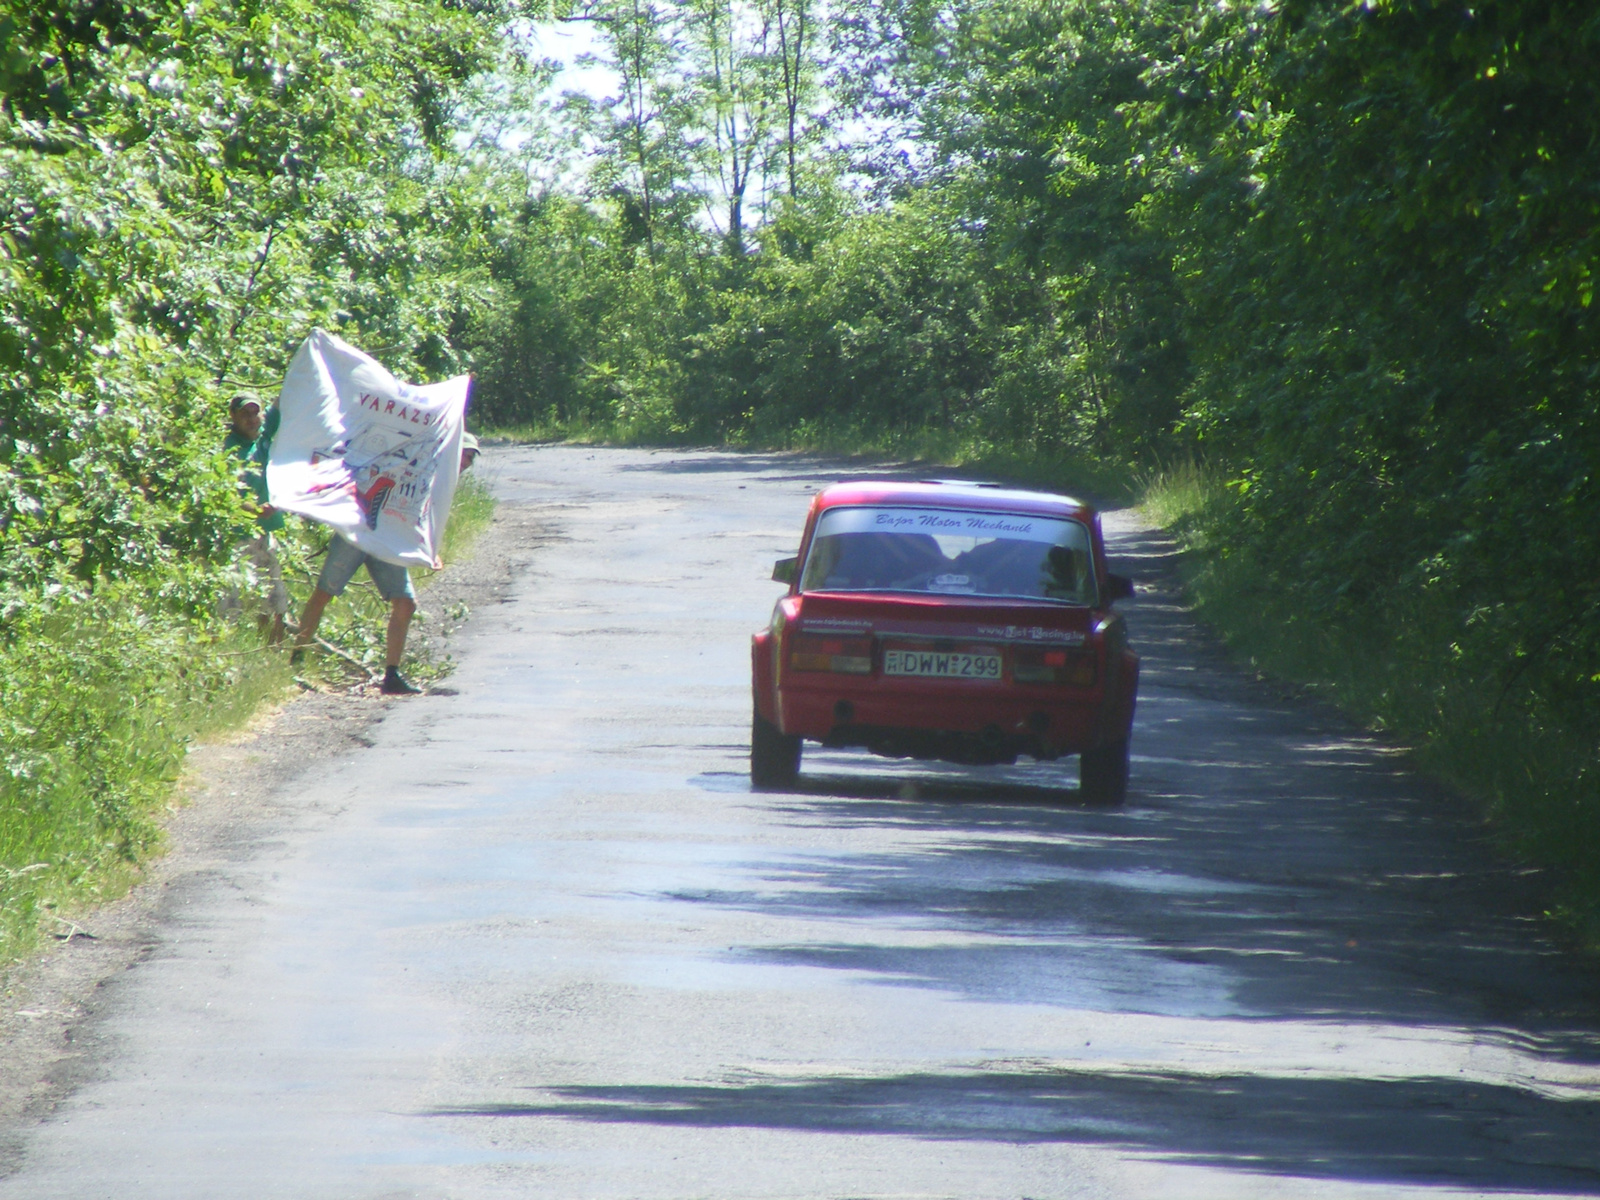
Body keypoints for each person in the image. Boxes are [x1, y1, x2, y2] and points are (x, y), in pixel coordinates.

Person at [291, 430, 481, 696]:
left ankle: (392, 676)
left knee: (405, 604)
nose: (467, 462)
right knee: (324, 593)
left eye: (471, 458)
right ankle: (296, 660)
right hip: (357, 531)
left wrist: (428, 550)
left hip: (388, 541)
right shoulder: (420, 463)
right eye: (464, 454)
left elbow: (418, 516)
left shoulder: (442, 483)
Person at [222, 391, 289, 643]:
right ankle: (229, 651)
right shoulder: (229, 449)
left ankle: (272, 650)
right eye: (244, 413)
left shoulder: (264, 440)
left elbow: (282, 403)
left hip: (266, 531)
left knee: (273, 597)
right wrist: (256, 509)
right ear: (234, 416)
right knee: (232, 600)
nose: (251, 418)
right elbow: (230, 493)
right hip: (238, 535)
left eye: (255, 412)